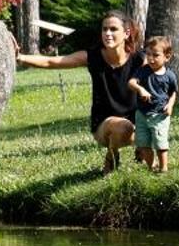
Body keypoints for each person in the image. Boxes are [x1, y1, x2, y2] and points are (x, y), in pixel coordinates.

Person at [16, 10, 142, 174]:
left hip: (137, 126)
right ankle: (112, 156)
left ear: (126, 33)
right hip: (104, 125)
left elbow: (164, 78)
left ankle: (143, 149)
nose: (107, 34)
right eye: (104, 29)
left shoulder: (140, 60)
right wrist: (20, 57)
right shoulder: (92, 56)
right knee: (123, 127)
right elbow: (51, 61)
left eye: (113, 29)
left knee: (145, 127)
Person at [129, 35, 178, 173]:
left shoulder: (169, 76)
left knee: (160, 143)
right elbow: (131, 83)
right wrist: (141, 89)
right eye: (148, 54)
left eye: (155, 55)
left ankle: (163, 169)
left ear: (167, 57)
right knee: (143, 144)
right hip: (141, 115)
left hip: (159, 115)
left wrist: (170, 105)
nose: (150, 58)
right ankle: (151, 167)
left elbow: (173, 93)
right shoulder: (143, 71)